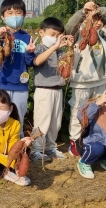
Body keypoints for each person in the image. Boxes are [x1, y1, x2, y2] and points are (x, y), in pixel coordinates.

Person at [65, 0, 106, 157]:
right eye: (94, 20)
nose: (98, 23)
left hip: (100, 82)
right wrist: (84, 12)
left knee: (98, 112)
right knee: (77, 112)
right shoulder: (79, 32)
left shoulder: (104, 33)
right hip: (81, 82)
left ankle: (92, 138)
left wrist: (97, 9)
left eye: (100, 20)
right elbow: (68, 27)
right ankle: (74, 141)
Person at [0, 0, 36, 137]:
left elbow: (29, 63)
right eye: (10, 13)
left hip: (21, 85)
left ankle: (18, 146)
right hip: (1, 84)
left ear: (24, 15)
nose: (14, 16)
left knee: (18, 118)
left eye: (18, 12)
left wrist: (30, 52)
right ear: (3, 17)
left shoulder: (26, 37)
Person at [30, 18, 74, 162]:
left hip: (57, 90)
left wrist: (69, 48)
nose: (55, 38)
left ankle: (50, 146)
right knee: (42, 120)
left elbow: (69, 66)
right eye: (52, 34)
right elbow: (37, 61)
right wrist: (54, 47)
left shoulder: (59, 51)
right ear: (42, 32)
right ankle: (36, 149)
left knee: (55, 121)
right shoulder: (39, 48)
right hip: (44, 90)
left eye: (58, 35)